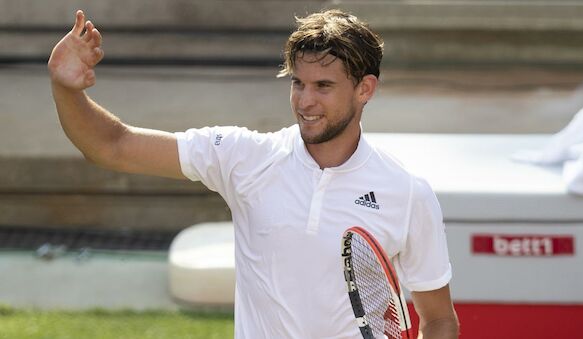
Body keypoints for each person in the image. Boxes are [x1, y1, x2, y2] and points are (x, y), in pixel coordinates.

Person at [48, 8, 459, 338]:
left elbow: (439, 319)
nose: (305, 101)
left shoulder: (406, 194)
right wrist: (67, 89)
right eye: (298, 83)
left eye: (323, 86)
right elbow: (112, 146)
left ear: (365, 89)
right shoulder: (245, 157)